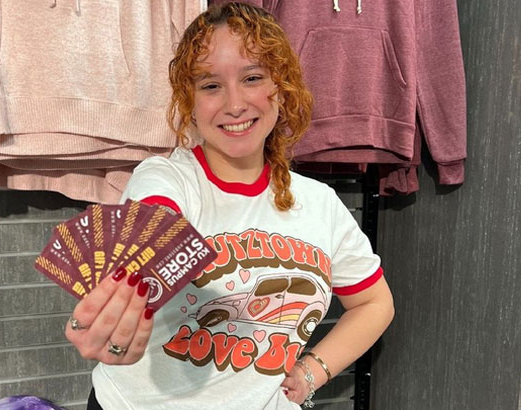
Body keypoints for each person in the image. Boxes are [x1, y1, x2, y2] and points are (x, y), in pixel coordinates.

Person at [64, 3, 395, 409]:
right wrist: (124, 292)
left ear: (282, 85)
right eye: (210, 85)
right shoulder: (168, 178)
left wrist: (312, 372)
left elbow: (375, 303)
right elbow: (153, 225)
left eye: (252, 78)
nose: (234, 103)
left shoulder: (321, 204)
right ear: (190, 100)